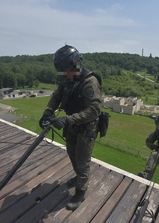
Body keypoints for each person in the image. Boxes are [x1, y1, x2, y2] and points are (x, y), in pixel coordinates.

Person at [39, 44, 102, 210]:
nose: (64, 74)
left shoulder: (90, 82)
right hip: (73, 125)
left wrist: (68, 120)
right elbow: (56, 97)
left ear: (76, 65)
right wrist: (47, 113)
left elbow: (94, 110)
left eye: (66, 70)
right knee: (72, 155)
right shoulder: (67, 79)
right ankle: (79, 177)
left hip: (86, 127)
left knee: (82, 161)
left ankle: (81, 191)